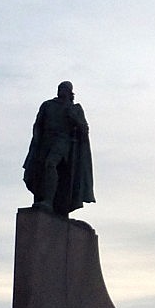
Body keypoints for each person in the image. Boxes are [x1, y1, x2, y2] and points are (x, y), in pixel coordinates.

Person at [22, 81, 95, 215]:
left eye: (65, 89)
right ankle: (45, 200)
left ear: (70, 93)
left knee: (51, 164)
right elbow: (38, 124)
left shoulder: (75, 109)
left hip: (63, 141)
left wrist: (75, 119)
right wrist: (37, 141)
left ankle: (48, 202)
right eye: (60, 88)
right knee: (40, 170)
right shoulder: (47, 105)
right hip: (46, 141)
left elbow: (84, 130)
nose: (61, 91)